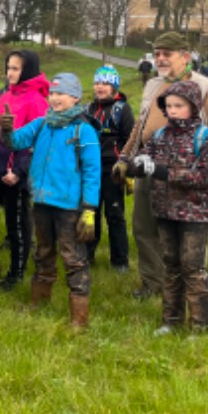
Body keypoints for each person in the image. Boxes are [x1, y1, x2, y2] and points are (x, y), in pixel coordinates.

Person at [113, 31, 208, 299]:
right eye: (156, 54)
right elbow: (140, 125)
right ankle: (153, 283)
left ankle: (191, 285)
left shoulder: (206, 87)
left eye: (166, 54)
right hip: (149, 165)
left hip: (187, 172)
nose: (160, 59)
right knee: (145, 228)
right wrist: (125, 157)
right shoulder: (152, 85)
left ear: (185, 56)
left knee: (186, 231)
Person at [0, 73, 101, 328]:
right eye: (52, 94)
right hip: (42, 202)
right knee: (43, 253)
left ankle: (79, 319)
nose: (54, 98)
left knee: (74, 259)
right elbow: (15, 142)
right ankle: (39, 304)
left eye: (61, 94)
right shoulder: (42, 124)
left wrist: (89, 209)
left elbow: (93, 172)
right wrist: (7, 129)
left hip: (70, 208)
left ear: (75, 98)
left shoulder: (84, 131)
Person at [126, 80, 208, 334]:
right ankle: (171, 320)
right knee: (171, 266)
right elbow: (143, 159)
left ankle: (200, 326)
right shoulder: (160, 136)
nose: (173, 110)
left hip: (195, 214)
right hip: (165, 211)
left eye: (179, 105)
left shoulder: (207, 137)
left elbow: (205, 176)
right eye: (168, 106)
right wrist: (137, 164)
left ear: (194, 106)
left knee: (193, 268)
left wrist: (164, 172)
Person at [0, 50, 49, 290]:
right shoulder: (5, 95)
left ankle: (16, 272)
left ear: (27, 70)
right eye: (8, 67)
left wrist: (19, 171)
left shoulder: (37, 101)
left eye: (16, 68)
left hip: (16, 173)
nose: (10, 73)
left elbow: (36, 142)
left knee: (16, 225)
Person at [84, 66, 134, 271]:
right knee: (90, 212)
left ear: (114, 87)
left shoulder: (122, 109)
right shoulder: (88, 109)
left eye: (105, 83)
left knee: (114, 214)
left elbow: (130, 139)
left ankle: (120, 260)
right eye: (97, 83)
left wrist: (126, 167)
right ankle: (87, 255)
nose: (100, 87)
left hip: (112, 170)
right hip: (90, 169)